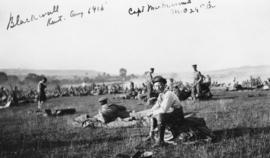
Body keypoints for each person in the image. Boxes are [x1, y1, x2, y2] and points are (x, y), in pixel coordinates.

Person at [145, 76, 184, 146]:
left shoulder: (169, 94)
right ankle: (151, 135)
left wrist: (153, 113)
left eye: (160, 85)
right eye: (156, 86)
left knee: (160, 115)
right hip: (171, 113)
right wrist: (150, 112)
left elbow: (163, 109)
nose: (158, 87)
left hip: (178, 116)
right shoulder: (161, 95)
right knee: (154, 115)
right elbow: (156, 106)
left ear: (164, 85)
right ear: (154, 87)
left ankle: (160, 141)